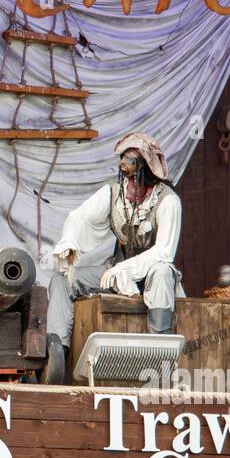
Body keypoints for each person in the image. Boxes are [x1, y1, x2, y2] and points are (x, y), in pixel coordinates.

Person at [48, 132, 184, 353]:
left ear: (146, 171)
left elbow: (164, 252)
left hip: (152, 277)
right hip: (116, 275)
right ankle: (57, 353)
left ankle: (161, 353)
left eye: (132, 170)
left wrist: (125, 268)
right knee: (61, 280)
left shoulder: (168, 201)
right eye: (126, 176)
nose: (128, 181)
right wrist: (69, 242)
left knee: (162, 271)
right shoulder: (113, 194)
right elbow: (79, 217)